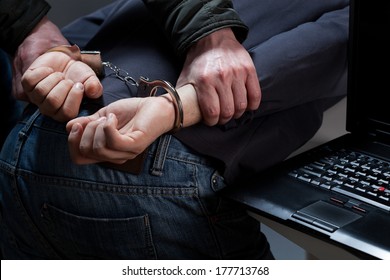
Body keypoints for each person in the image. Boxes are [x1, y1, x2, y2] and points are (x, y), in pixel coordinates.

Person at [0, 0, 350, 259]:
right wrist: (178, 105)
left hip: (25, 148)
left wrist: (53, 51)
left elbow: (121, 13)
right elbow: (327, 47)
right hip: (149, 165)